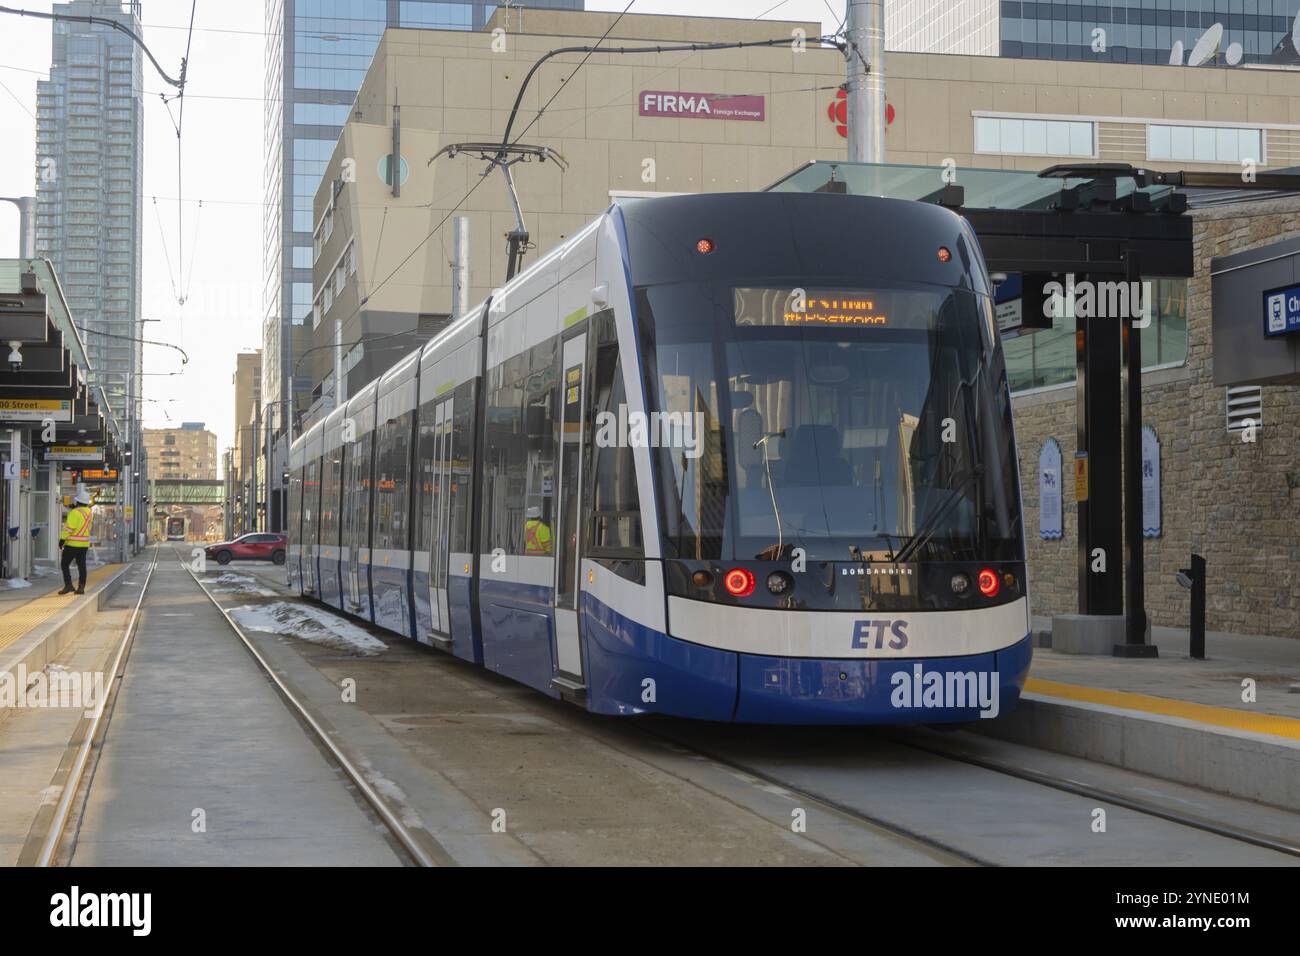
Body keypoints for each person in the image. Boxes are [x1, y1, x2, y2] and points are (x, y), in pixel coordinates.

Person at [58, 490, 94, 595]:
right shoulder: (90, 513)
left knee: (64, 564)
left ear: (77, 502)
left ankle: (68, 585)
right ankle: (81, 587)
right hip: (84, 545)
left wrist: (62, 540)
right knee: (82, 566)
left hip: (72, 544)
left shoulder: (74, 512)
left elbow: (69, 528)